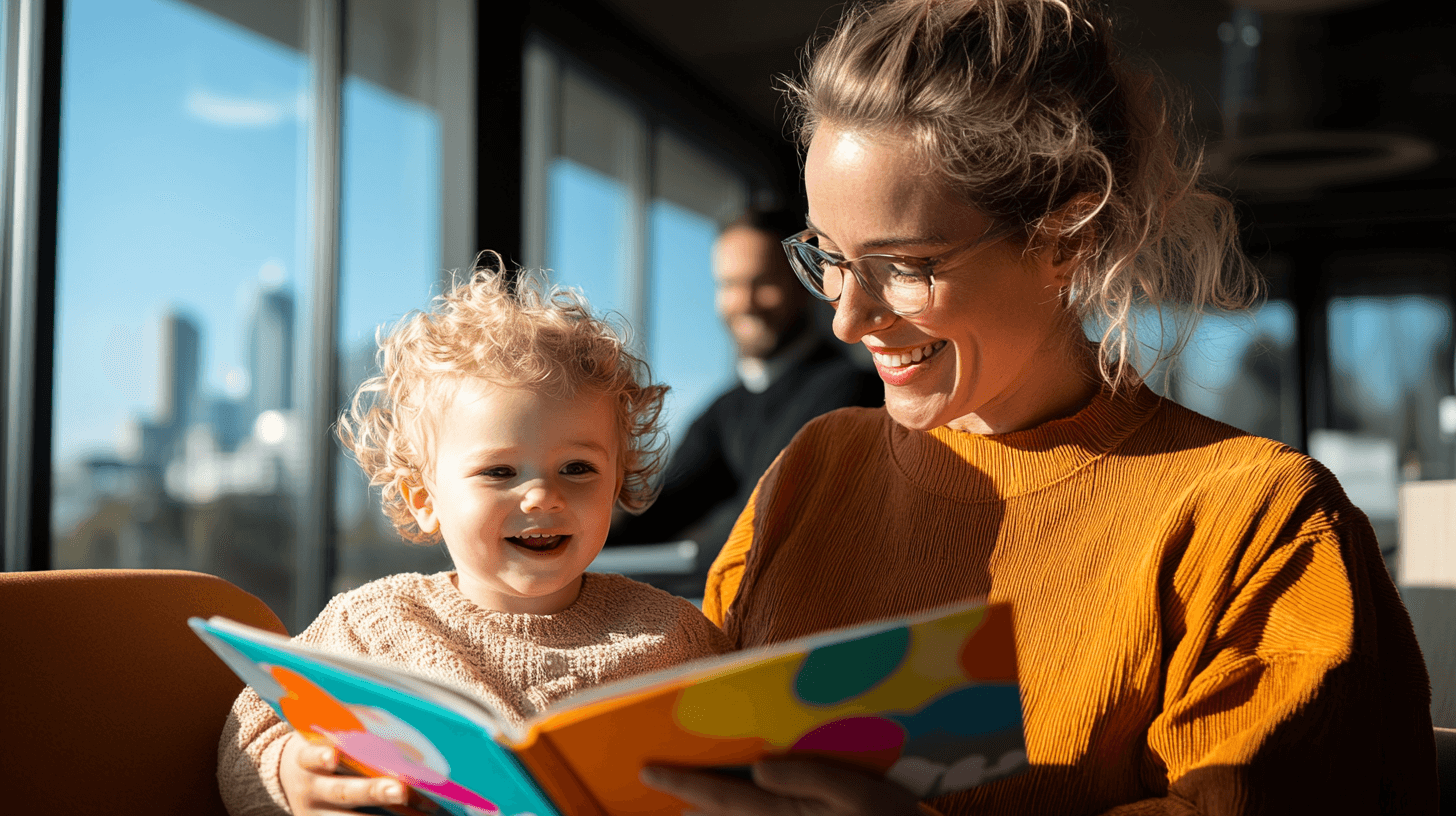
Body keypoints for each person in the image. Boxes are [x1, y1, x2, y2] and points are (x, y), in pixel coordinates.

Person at [640, 1, 1438, 814]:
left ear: (1066, 236)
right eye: (830, 258)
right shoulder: (811, 472)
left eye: (905, 265)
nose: (847, 318)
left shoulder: (1253, 522)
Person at [218, 260, 730, 815]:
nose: (541, 497)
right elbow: (249, 733)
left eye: (578, 469)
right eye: (499, 473)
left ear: (617, 484)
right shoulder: (371, 624)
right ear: (424, 498)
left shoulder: (674, 635)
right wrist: (293, 776)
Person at [608, 208, 882, 594]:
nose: (744, 302)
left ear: (804, 284)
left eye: (762, 282)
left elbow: (757, 527)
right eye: (729, 285)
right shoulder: (726, 408)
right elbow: (662, 509)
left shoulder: (851, 391)